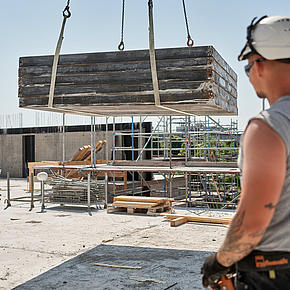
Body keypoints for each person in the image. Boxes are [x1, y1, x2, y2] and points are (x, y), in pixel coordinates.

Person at [201, 15, 290, 289]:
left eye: (248, 67)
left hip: (274, 274)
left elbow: (252, 224)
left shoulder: (269, 126)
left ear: (260, 64)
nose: (250, 75)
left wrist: (221, 261)